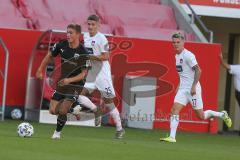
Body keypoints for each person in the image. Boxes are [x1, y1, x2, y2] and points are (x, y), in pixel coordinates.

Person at [160, 32, 232, 143]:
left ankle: (222, 114)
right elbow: (183, 74)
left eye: (178, 42)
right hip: (183, 89)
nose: (175, 44)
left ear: (183, 42)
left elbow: (199, 70)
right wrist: (179, 85)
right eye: (173, 42)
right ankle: (172, 137)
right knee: (174, 109)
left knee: (201, 116)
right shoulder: (177, 56)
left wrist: (193, 86)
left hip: (193, 89)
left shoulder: (188, 55)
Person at [36, 23, 90, 139]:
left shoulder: (83, 52)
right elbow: (49, 55)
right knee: (52, 110)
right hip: (62, 83)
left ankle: (57, 133)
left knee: (62, 109)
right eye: (67, 32)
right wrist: (40, 70)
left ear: (78, 35)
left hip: (76, 85)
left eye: (71, 33)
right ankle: (73, 109)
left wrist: (69, 80)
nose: (68, 35)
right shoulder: (61, 45)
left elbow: (84, 74)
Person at [75, 14, 125, 139]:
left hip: (103, 75)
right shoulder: (85, 37)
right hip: (92, 73)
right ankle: (96, 110)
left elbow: (105, 57)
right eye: (89, 24)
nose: (90, 27)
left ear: (98, 25)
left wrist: (89, 57)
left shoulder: (102, 38)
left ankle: (119, 128)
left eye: (93, 24)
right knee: (78, 93)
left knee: (108, 102)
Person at [220, 53, 240, 135]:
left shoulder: (238, 68)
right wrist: (221, 60)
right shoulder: (238, 68)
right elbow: (227, 66)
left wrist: (220, 59)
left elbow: (226, 66)